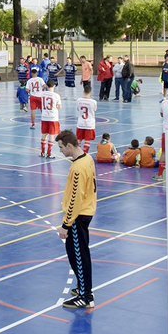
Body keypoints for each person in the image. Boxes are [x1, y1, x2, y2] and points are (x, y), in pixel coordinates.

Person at [55, 131, 97, 309]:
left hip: (78, 216)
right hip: (86, 212)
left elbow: (75, 199)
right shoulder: (87, 159)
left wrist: (66, 224)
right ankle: (83, 286)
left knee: (78, 255)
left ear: (70, 146)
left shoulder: (77, 168)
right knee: (76, 252)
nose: (61, 151)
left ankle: (85, 296)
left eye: (61, 148)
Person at [38, 82, 63, 158]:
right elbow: (59, 107)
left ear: (47, 85)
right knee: (51, 135)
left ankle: (42, 152)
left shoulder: (42, 94)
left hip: (44, 117)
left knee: (44, 134)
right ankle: (49, 153)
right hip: (53, 117)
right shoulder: (56, 95)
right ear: (54, 86)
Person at [75, 82, 98, 153]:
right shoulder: (93, 102)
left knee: (79, 140)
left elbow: (78, 109)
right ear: (90, 92)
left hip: (81, 123)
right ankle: (85, 154)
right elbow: (95, 110)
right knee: (87, 140)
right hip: (89, 124)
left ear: (83, 91)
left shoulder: (79, 100)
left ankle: (77, 154)